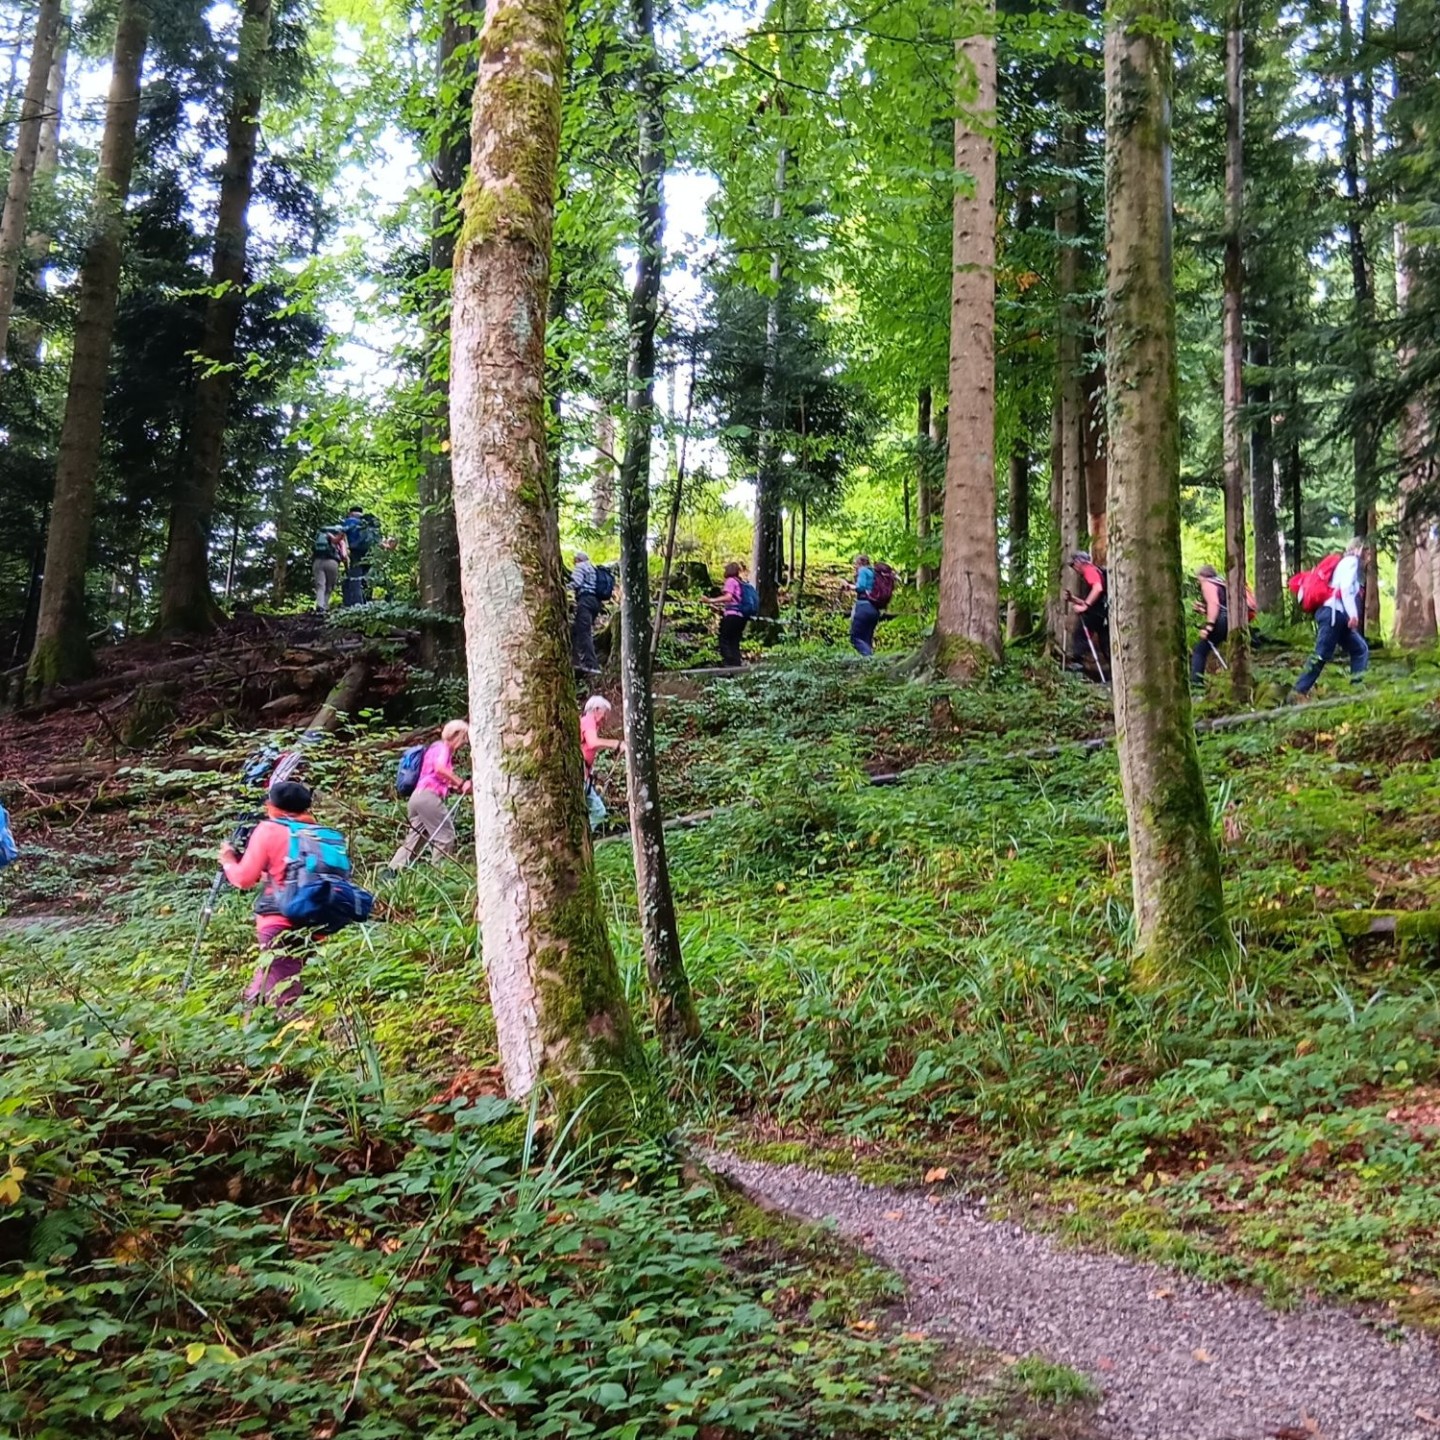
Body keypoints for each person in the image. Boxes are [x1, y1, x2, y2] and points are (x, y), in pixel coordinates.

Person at [220, 780, 320, 1007]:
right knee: (263, 986)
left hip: (279, 921)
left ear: (273, 807)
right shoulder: (318, 832)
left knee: (285, 994)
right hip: (317, 921)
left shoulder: (268, 830)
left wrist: (228, 861)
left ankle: (297, 1036)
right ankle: (246, 1033)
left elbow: (243, 879)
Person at [387, 720, 471, 873]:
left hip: (417, 797)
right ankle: (439, 875)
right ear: (456, 735)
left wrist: (456, 787)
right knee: (445, 836)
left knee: (415, 840)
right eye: (464, 738)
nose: (464, 743)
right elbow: (440, 769)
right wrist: (461, 783)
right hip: (428, 797)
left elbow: (435, 775)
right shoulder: (443, 748)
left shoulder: (433, 749)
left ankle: (391, 873)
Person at [1293, 537, 1369, 698]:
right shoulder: (1351, 562)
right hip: (1332, 614)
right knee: (1321, 654)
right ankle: (1298, 692)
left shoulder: (1346, 563)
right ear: (1359, 550)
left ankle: (1356, 693)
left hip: (1337, 616)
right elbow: (1346, 587)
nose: (1368, 558)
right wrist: (1353, 615)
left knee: (1360, 649)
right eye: (1367, 553)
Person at [339, 507, 396, 606]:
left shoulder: (348, 521)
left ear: (350, 513)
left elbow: (342, 536)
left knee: (355, 578)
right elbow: (378, 542)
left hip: (356, 552)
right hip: (370, 553)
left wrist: (344, 553)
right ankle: (367, 601)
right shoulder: (368, 523)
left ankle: (357, 605)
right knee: (366, 577)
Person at [580, 695, 621, 830]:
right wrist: (616, 744)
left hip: (586, 776)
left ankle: (589, 840)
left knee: (598, 811)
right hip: (579, 776)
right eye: (604, 712)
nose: (605, 717)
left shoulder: (591, 724)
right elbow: (592, 743)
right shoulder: (588, 721)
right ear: (596, 709)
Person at [1065, 551, 1109, 673]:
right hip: (1102, 612)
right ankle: (1109, 672)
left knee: (1080, 635)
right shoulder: (1096, 571)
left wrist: (1085, 607)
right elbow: (1092, 598)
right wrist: (1073, 599)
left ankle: (1078, 665)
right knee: (1105, 642)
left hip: (1096, 613)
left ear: (1079, 562)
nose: (1074, 569)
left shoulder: (1089, 570)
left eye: (1073, 565)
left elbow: (1097, 588)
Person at [1190, 564, 1229, 687]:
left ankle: (1196, 685)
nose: (1198, 581)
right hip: (1230, 620)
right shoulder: (1220, 583)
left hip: (1221, 622)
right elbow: (1222, 606)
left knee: (1199, 651)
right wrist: (1203, 610)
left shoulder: (1207, 585)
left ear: (1203, 576)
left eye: (1198, 578)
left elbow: (1214, 604)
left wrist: (1208, 627)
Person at [707, 561, 747, 667]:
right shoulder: (740, 583)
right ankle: (736, 665)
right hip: (741, 616)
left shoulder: (730, 581)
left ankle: (728, 663)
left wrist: (710, 600)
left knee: (724, 639)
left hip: (732, 615)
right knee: (734, 641)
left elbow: (728, 597)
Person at [569, 552, 602, 674]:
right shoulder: (593, 568)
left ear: (577, 560)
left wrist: (563, 587)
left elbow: (576, 582)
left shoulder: (580, 567)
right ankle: (576, 660)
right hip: (596, 603)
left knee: (584, 634)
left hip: (585, 601)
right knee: (577, 631)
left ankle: (591, 665)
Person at [847, 554, 880, 656]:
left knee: (855, 638)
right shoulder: (874, 573)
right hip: (874, 610)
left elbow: (861, 587)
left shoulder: (863, 571)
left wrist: (849, 586)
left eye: (855, 564)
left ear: (861, 563)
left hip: (863, 608)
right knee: (866, 639)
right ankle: (870, 665)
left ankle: (869, 659)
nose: (854, 567)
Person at [313, 524, 349, 612]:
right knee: (329, 586)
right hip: (332, 563)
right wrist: (347, 567)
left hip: (317, 561)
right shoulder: (340, 541)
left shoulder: (322, 536)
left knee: (320, 585)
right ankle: (325, 606)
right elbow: (344, 555)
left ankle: (320, 605)